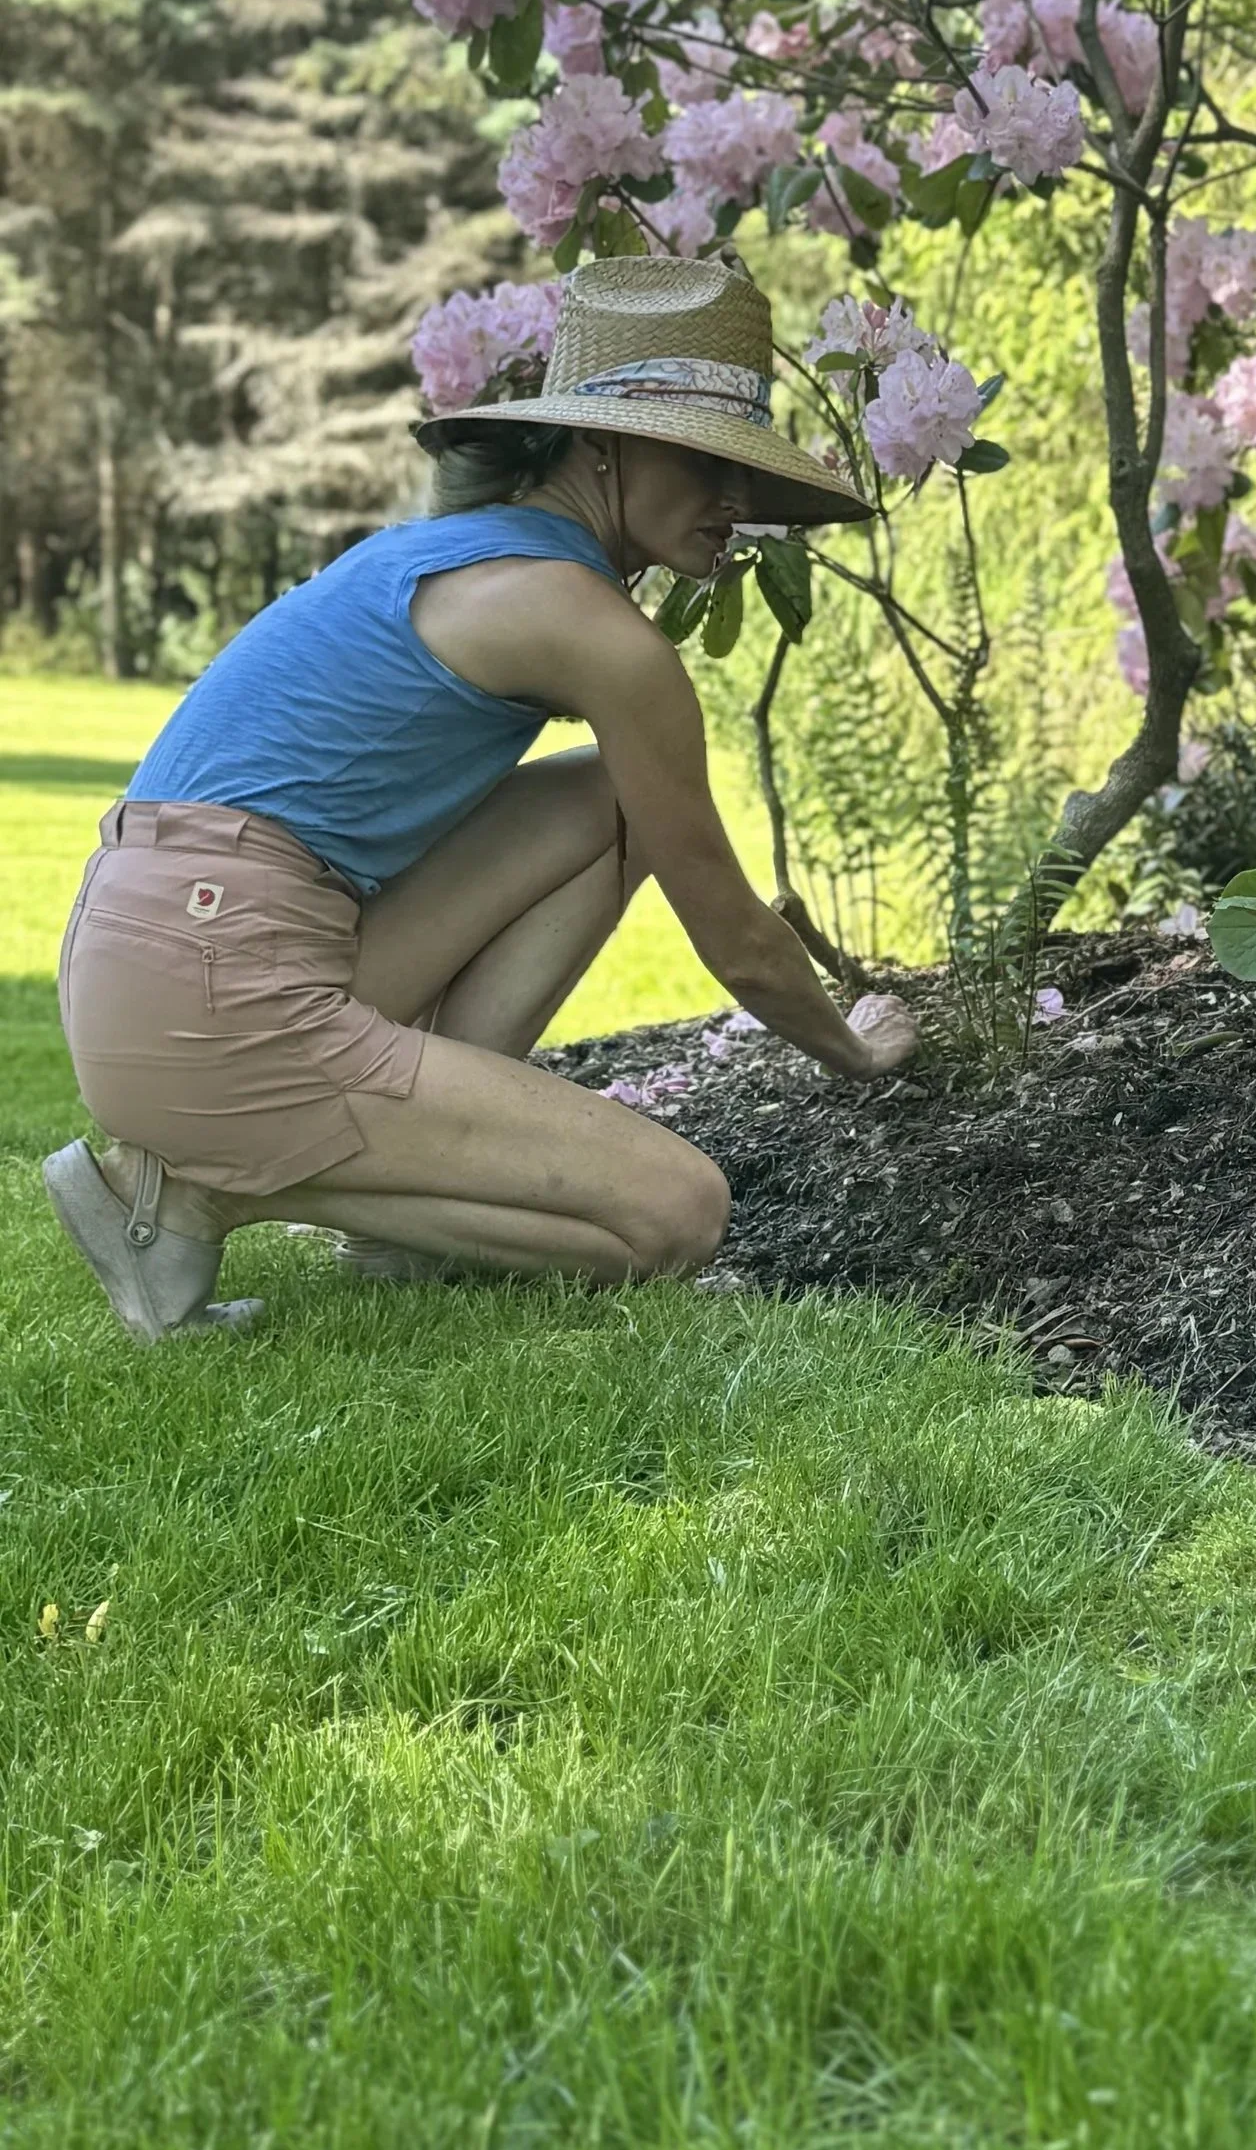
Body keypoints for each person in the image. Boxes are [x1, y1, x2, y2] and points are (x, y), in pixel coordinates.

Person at [44, 251, 916, 1339]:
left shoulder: (454, 557)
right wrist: (857, 1048)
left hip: (156, 952)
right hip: (222, 988)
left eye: (744, 470)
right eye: (704, 464)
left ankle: (383, 1208)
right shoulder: (586, 623)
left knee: (609, 799)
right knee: (675, 1215)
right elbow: (732, 933)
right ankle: (191, 1188)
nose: (735, 501)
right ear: (601, 444)